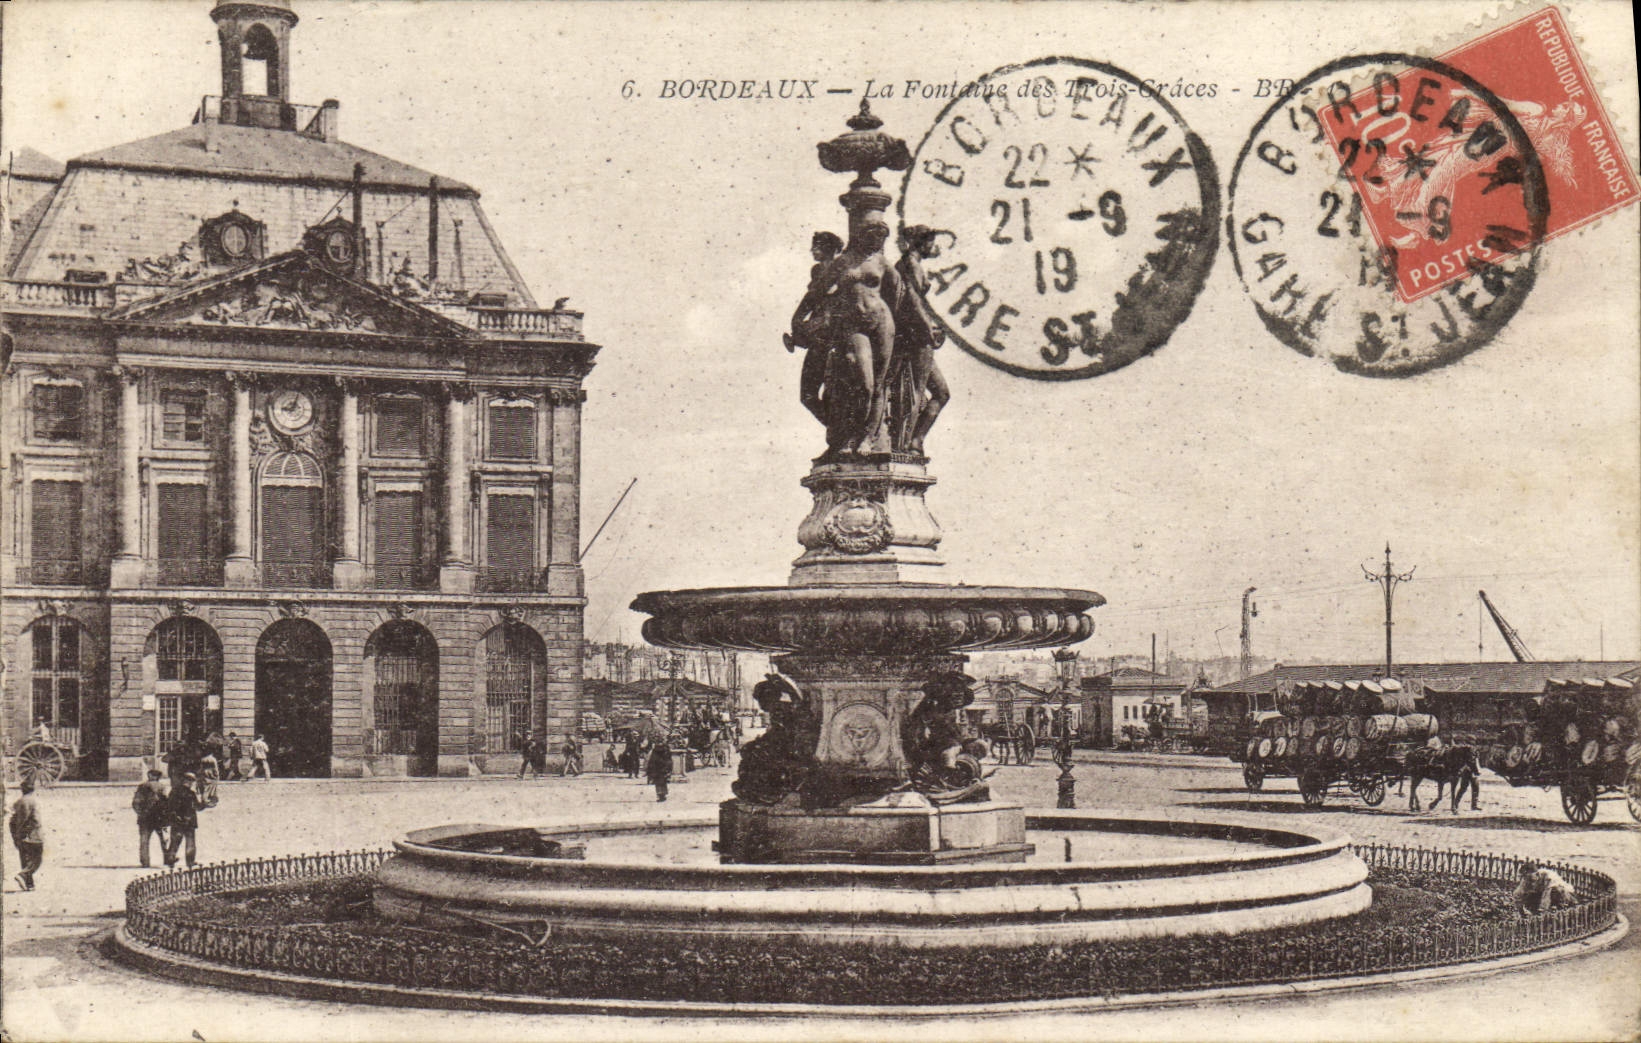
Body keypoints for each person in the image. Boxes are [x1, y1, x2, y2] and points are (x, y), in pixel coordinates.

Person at [9, 777, 44, 891]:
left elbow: (12, 820)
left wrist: (15, 835)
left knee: (25, 859)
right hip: (33, 835)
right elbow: (26, 819)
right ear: (33, 789)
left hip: (20, 836)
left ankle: (29, 884)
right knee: (37, 859)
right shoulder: (31, 801)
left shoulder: (18, 802)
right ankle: (23, 875)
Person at [164, 772, 203, 868]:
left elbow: (169, 806)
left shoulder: (174, 791)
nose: (191, 783)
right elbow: (197, 807)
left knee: (175, 841)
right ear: (188, 781)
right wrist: (205, 804)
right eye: (191, 781)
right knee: (190, 842)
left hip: (177, 820)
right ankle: (190, 862)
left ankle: (170, 859)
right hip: (189, 821)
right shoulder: (191, 793)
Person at [132, 769, 170, 868]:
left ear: (149, 775)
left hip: (145, 818)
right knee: (164, 839)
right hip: (159, 817)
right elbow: (166, 802)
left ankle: (145, 862)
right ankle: (168, 859)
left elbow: (136, 802)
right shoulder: (162, 787)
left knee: (144, 840)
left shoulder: (142, 786)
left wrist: (140, 813)